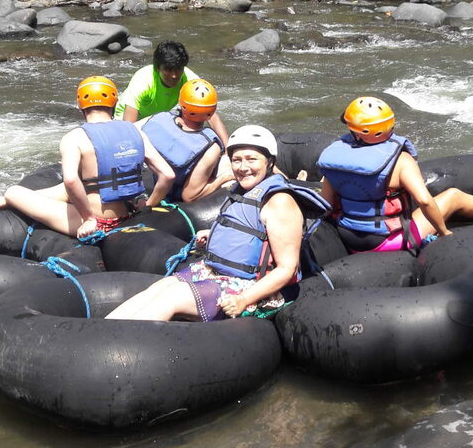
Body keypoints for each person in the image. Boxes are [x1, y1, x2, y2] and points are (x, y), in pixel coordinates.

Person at [106, 125, 328, 323]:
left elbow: (287, 270)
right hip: (217, 272)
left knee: (170, 298)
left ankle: (119, 346)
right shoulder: (242, 191)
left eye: (252, 159)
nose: (243, 167)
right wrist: (213, 234)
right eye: (236, 160)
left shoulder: (280, 202)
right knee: (159, 288)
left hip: (251, 288)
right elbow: (249, 230)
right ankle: (101, 332)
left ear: (269, 162)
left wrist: (243, 300)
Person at [317, 96, 473, 253]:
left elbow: (326, 203)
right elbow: (424, 201)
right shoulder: (401, 160)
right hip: (387, 240)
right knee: (453, 196)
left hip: (347, 235)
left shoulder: (337, 158)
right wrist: (444, 232)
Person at [0, 75, 175, 239]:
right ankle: (3, 200)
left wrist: (88, 218)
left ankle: (5, 200)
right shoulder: (135, 131)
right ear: (115, 102)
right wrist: (148, 205)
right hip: (129, 211)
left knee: (14, 192)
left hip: (100, 222)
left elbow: (71, 179)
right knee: (71, 189)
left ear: (79, 105)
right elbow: (167, 175)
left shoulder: (74, 137)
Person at [114, 39, 229, 147]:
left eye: (178, 69)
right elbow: (129, 126)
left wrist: (228, 150)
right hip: (125, 121)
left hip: (155, 119)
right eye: (168, 69)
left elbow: (210, 115)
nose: (174, 75)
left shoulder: (190, 80)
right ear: (158, 68)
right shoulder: (144, 80)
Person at [137, 79, 232, 203]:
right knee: (228, 171)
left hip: (142, 183)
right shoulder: (211, 147)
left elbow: (128, 130)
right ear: (212, 110)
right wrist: (224, 177)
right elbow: (190, 196)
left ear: (181, 103)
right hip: (168, 198)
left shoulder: (160, 117)